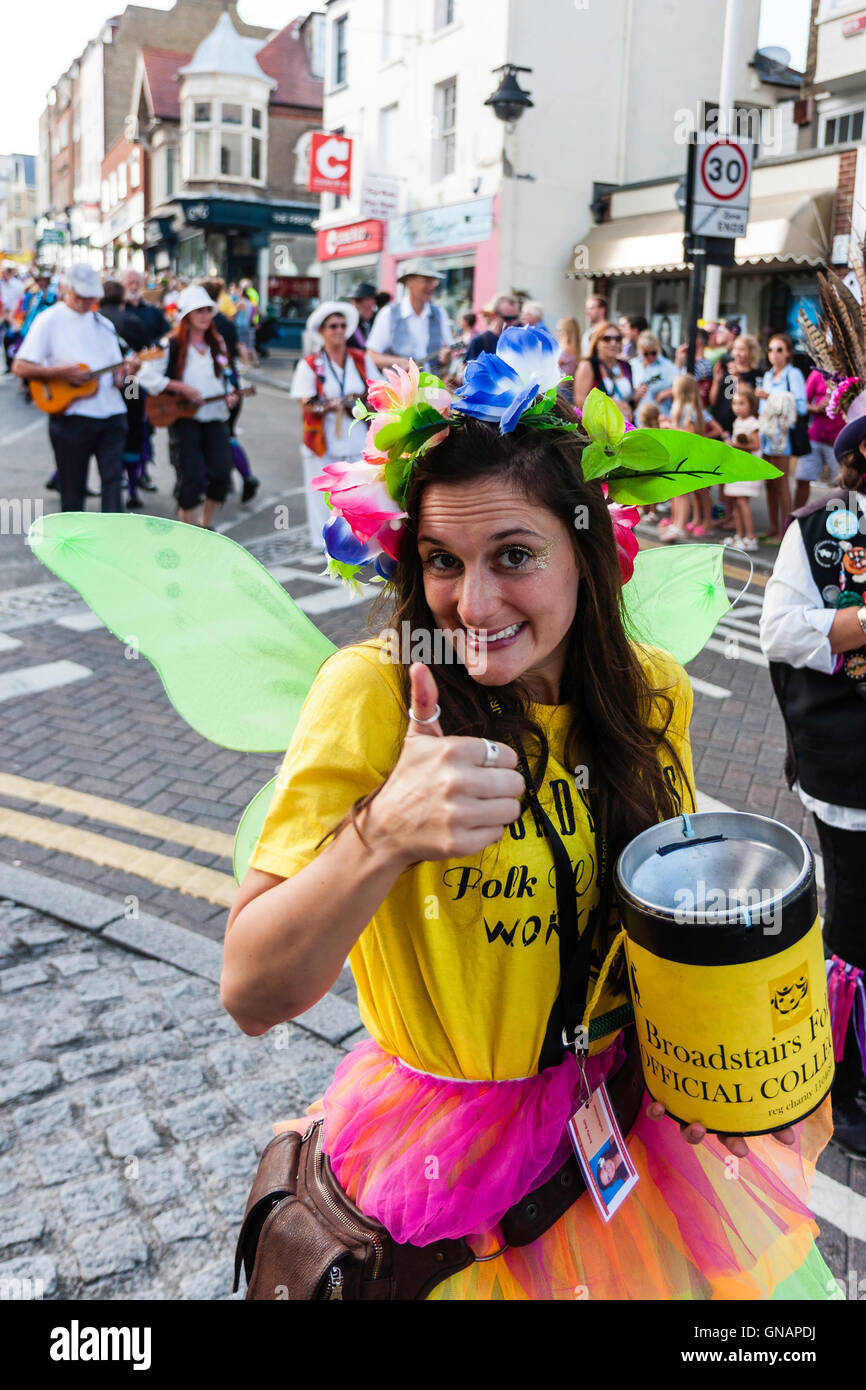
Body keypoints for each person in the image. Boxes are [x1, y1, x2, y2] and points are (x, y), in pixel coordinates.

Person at [223, 332, 837, 1300]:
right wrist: (381, 833)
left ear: (587, 555)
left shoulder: (650, 694)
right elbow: (253, 992)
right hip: (450, 1162)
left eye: (513, 555)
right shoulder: (376, 693)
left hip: (633, 1129)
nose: (470, 602)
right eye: (438, 560)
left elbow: (654, 924)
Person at [12, 264, 136, 513]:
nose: (85, 302)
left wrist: (128, 379)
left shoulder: (104, 324)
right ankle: (75, 549)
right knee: (73, 492)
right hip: (72, 419)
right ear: (65, 289)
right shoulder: (49, 320)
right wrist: (59, 372)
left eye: (90, 297)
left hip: (112, 416)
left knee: (113, 487)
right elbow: (20, 366)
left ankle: (113, 544)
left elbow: (122, 378)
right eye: (80, 296)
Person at [136, 285, 238, 528]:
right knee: (189, 475)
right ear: (187, 316)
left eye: (207, 311)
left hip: (215, 417)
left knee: (221, 473)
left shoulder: (217, 342)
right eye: (198, 311)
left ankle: (206, 523)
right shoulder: (169, 344)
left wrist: (231, 393)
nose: (204, 316)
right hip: (185, 419)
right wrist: (182, 388)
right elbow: (145, 375)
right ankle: (188, 528)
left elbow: (228, 375)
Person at [291, 301, 375, 550]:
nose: (338, 330)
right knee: (323, 495)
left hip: (356, 436)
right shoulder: (310, 363)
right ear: (322, 331)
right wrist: (331, 405)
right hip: (322, 439)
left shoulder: (360, 359)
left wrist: (359, 403)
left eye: (342, 326)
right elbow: (306, 403)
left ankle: (357, 542)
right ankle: (326, 545)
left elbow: (376, 391)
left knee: (359, 491)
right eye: (332, 326)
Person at [201, 277, 260, 504]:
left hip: (217, 389)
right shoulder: (227, 322)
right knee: (229, 435)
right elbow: (237, 349)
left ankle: (223, 482)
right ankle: (243, 477)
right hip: (232, 383)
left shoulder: (204, 324)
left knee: (214, 437)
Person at [99, 280, 150, 511]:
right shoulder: (131, 321)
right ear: (122, 299)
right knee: (132, 431)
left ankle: (60, 478)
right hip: (129, 382)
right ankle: (131, 489)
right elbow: (145, 353)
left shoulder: (93, 321)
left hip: (98, 387)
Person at [758, 333, 806, 544]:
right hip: (766, 434)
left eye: (779, 349)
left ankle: (785, 532)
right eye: (770, 349)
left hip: (782, 437)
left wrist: (770, 398)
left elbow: (801, 405)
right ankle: (773, 527)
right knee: (769, 483)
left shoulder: (792, 374)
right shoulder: (768, 376)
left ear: (788, 353)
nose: (774, 354)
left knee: (782, 482)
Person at [365, 258, 453, 373]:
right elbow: (371, 356)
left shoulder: (440, 314)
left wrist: (445, 357)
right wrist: (397, 361)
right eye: (427, 281)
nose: (432, 286)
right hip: (400, 389)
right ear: (409, 282)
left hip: (432, 387)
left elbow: (448, 350)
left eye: (433, 281)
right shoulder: (389, 314)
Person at [794, 369, 843, 512]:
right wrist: (816, 408)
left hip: (838, 442)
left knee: (841, 486)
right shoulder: (817, 374)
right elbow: (803, 403)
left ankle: (838, 523)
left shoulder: (849, 371)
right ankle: (797, 518)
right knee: (802, 478)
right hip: (814, 439)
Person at [723, 385, 761, 552]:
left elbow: (755, 445)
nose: (737, 407)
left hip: (747, 469)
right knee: (736, 501)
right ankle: (740, 535)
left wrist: (735, 445)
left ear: (751, 405)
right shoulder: (737, 421)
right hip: (738, 467)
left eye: (742, 403)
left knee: (742, 501)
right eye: (735, 403)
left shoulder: (753, 423)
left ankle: (751, 537)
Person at [573, 322, 633, 419]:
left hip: (627, 426)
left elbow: (629, 402)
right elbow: (580, 402)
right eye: (606, 339)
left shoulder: (625, 366)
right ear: (597, 342)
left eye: (618, 339)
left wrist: (636, 397)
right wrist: (610, 403)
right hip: (600, 428)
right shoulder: (588, 365)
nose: (613, 343)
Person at [709, 332, 762, 438]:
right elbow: (713, 402)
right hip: (720, 426)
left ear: (750, 352)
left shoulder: (756, 374)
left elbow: (753, 402)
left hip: (741, 428)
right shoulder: (725, 370)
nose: (737, 353)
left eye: (741, 350)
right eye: (735, 349)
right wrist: (716, 380)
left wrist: (738, 378)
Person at [630, 330, 678, 418]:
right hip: (638, 417)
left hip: (661, 417)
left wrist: (665, 393)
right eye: (646, 354)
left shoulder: (667, 366)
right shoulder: (633, 365)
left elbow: (681, 386)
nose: (650, 357)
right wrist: (636, 395)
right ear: (640, 351)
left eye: (653, 353)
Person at [464, 294, 519, 362]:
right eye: (508, 318)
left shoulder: (519, 340)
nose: (513, 322)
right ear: (494, 315)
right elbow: (466, 369)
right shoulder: (479, 341)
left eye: (516, 318)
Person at [347, 282, 379, 353]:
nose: (354, 304)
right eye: (352, 301)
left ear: (373, 301)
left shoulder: (380, 321)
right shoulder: (346, 325)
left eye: (358, 300)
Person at [556, 317, 581, 404]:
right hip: (568, 388)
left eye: (560, 330)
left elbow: (553, 363)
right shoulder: (575, 347)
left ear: (567, 331)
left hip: (562, 388)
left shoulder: (567, 348)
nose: (557, 333)